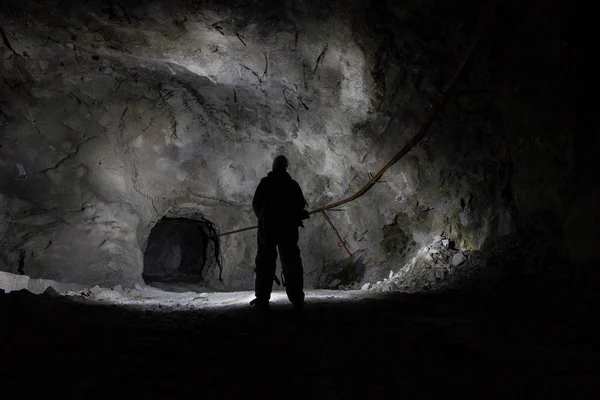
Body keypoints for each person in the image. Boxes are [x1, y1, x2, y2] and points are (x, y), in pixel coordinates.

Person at [252, 155, 310, 312]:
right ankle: (297, 300)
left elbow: (256, 204)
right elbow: (299, 205)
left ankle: (262, 300)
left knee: (265, 262)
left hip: (269, 228)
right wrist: (298, 214)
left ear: (273, 166)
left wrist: (263, 218)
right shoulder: (291, 185)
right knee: (291, 263)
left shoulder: (265, 183)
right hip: (287, 229)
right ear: (286, 167)